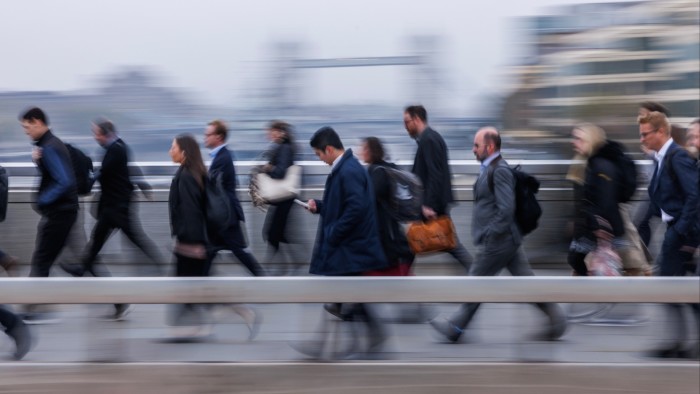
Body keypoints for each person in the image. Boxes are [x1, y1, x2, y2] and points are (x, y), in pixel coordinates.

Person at [430, 127, 567, 343]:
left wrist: (489, 235)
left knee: (475, 282)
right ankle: (557, 320)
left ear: (490, 146)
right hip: (508, 240)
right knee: (526, 283)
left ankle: (455, 327)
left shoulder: (499, 170)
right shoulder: (489, 167)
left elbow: (506, 209)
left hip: (499, 242)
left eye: (477, 145)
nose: (473, 149)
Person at [60, 119, 164, 320]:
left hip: (116, 206)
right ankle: (154, 262)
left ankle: (155, 263)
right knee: (110, 238)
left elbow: (102, 172)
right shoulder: (119, 146)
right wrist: (143, 186)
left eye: (96, 133)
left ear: (106, 133)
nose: (94, 137)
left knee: (114, 238)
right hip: (115, 206)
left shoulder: (115, 149)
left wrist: (83, 179)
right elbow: (129, 170)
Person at [299, 127, 389, 357]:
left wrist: (333, 232)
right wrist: (319, 206)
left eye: (319, 155)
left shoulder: (347, 171)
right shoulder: (347, 168)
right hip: (352, 246)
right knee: (347, 296)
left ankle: (328, 344)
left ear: (329, 149)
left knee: (343, 295)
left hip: (350, 246)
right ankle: (365, 338)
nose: (320, 160)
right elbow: (345, 205)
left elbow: (355, 209)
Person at [638, 111, 699, 358]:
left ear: (661, 132)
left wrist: (680, 231)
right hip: (677, 231)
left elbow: (694, 196)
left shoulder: (677, 157)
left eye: (645, 134)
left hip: (684, 234)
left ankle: (680, 343)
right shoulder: (663, 158)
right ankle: (680, 342)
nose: (641, 139)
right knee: (675, 288)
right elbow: (661, 197)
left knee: (673, 287)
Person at [203, 120, 262, 339]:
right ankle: (217, 309)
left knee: (232, 252)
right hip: (223, 217)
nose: (205, 138)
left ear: (218, 137)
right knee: (215, 257)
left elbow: (212, 186)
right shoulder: (221, 156)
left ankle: (215, 310)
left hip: (223, 218)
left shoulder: (223, 158)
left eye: (208, 134)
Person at [20, 107, 78, 323]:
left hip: (59, 213)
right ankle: (119, 298)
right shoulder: (49, 144)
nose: (26, 132)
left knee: (42, 260)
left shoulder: (50, 146)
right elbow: (55, 175)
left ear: (37, 122)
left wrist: (42, 200)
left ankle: (32, 309)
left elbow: (64, 181)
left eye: (27, 127)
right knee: (73, 261)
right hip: (63, 212)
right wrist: (39, 162)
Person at [403, 105, 473, 272]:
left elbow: (436, 175)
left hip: (431, 206)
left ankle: (478, 276)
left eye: (407, 122)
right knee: (445, 244)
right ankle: (477, 276)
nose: (405, 127)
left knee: (450, 245)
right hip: (430, 204)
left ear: (417, 119)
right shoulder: (429, 138)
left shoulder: (429, 140)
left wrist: (429, 205)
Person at [167, 134, 210, 340]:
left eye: (173, 147)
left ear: (184, 152)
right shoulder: (191, 172)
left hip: (190, 242)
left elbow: (191, 211)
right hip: (191, 241)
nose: (170, 151)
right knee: (190, 287)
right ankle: (188, 327)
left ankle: (186, 328)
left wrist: (190, 243)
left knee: (184, 287)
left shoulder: (186, 176)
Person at [259, 120, 304, 275]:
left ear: (279, 132)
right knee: (277, 233)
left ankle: (272, 267)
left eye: (271, 131)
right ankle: (290, 263)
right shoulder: (284, 147)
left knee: (272, 233)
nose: (269, 134)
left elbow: (280, 172)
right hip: (283, 197)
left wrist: (268, 169)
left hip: (283, 197)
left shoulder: (284, 148)